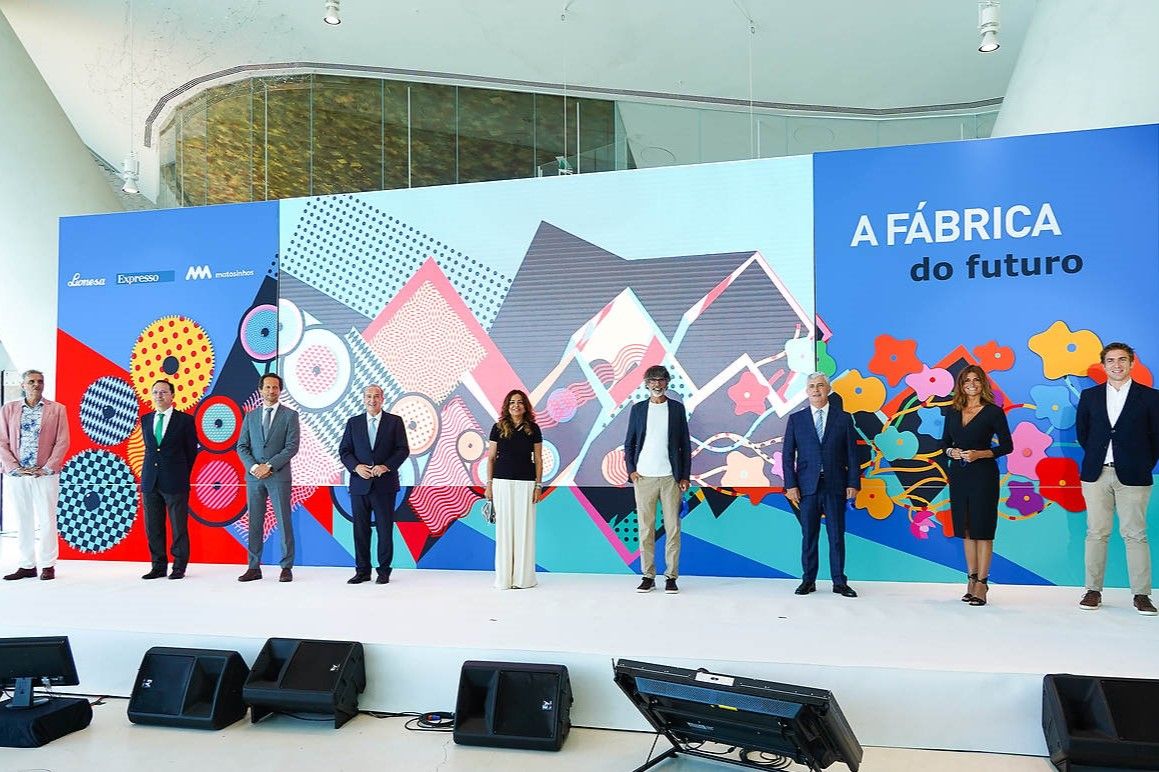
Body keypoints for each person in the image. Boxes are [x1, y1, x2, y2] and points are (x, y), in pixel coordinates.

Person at [1075, 342, 1159, 615]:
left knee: (1135, 534)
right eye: (1110, 360)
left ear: (1132, 363)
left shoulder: (1151, 397)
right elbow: (1084, 434)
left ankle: (1142, 595)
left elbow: (1156, 438)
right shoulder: (1090, 396)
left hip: (1134, 476)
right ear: (1103, 365)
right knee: (1096, 533)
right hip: (1096, 474)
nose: (1117, 365)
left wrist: (1141, 463)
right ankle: (1092, 590)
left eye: (1122, 359)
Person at [783, 372, 861, 598]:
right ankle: (808, 581)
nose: (815, 390)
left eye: (820, 385)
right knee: (809, 536)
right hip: (806, 488)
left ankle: (839, 582)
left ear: (828, 389)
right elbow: (787, 456)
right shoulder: (796, 420)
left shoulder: (843, 418)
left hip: (835, 485)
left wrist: (853, 483)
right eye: (811, 386)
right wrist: (791, 485)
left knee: (836, 536)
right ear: (806, 391)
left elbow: (852, 455)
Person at [941, 365, 1013, 607]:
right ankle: (971, 580)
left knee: (982, 529)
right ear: (961, 385)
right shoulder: (952, 412)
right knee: (966, 529)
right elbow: (944, 444)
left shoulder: (993, 412)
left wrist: (979, 454)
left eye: (976, 380)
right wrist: (951, 452)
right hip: (959, 476)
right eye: (966, 380)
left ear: (983, 383)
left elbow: (1007, 446)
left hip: (984, 476)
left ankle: (982, 583)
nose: (971, 384)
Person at [624, 365, 691, 593]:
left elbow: (685, 445)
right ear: (646, 384)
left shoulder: (677, 409)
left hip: (671, 478)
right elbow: (629, 442)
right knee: (646, 529)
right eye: (652, 380)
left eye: (661, 380)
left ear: (667, 383)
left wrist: (684, 475)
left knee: (673, 529)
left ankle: (671, 577)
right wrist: (631, 470)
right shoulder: (638, 409)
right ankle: (648, 576)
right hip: (644, 477)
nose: (657, 384)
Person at [1, 370, 69, 581]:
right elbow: (2, 441)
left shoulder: (57, 409)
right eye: (31, 381)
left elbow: (63, 441)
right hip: (17, 475)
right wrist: (14, 467)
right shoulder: (9, 409)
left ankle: (48, 565)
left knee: (47, 519)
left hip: (45, 475)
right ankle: (26, 565)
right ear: (23, 385)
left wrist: (47, 467)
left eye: (40, 381)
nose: (36, 384)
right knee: (23, 520)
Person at [338, 385, 409, 585]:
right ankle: (362, 571)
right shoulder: (353, 423)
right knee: (360, 530)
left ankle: (384, 571)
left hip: (385, 486)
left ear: (382, 399)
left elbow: (403, 449)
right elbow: (344, 451)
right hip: (359, 485)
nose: (372, 400)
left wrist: (386, 466)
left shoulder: (394, 422)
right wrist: (356, 467)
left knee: (384, 530)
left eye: (376, 396)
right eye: (369, 396)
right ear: (363, 399)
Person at [236, 373, 300, 583]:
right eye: (268, 387)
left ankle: (286, 567)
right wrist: (255, 467)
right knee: (254, 522)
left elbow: (292, 446)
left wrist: (269, 465)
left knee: (283, 521)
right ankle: (253, 567)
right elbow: (242, 446)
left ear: (280, 390)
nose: (271, 391)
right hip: (255, 477)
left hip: (278, 476)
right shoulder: (251, 416)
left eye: (275, 387)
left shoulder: (290, 415)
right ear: (260, 390)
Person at [140, 379, 199, 580]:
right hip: (150, 481)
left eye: (164, 392)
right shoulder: (146, 419)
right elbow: (150, 450)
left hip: (175, 480)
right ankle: (158, 566)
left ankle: (179, 567)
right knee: (153, 527)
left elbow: (191, 452)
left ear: (172, 395)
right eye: (156, 392)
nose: (159, 395)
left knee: (178, 527)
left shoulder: (185, 420)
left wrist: (180, 472)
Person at [484, 389, 543, 589]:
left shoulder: (533, 429)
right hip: (501, 483)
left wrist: (538, 485)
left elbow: (538, 459)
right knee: (504, 531)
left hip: (526, 484)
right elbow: (491, 458)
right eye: (512, 402)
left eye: (519, 402)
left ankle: (523, 579)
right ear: (507, 407)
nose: (516, 405)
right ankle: (504, 579)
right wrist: (489, 485)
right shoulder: (497, 428)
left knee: (524, 530)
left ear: (525, 406)